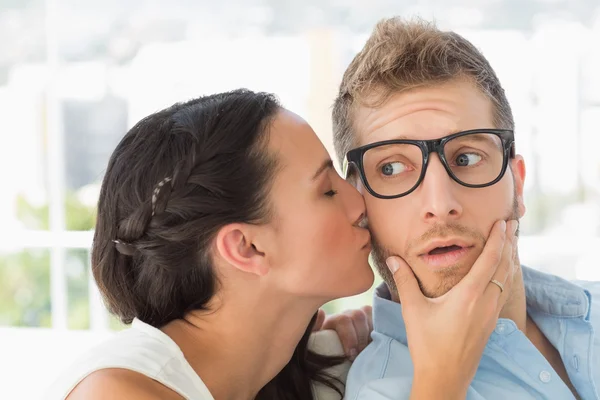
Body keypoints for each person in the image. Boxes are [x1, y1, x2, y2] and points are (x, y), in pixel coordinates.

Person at [46, 89, 515, 400]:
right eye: (327, 190)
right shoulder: (118, 392)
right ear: (247, 248)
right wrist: (441, 377)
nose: (360, 202)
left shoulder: (294, 375)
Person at [333, 17, 600, 400]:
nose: (441, 206)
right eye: (391, 168)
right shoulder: (385, 390)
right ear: (360, 206)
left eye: (467, 158)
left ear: (518, 184)